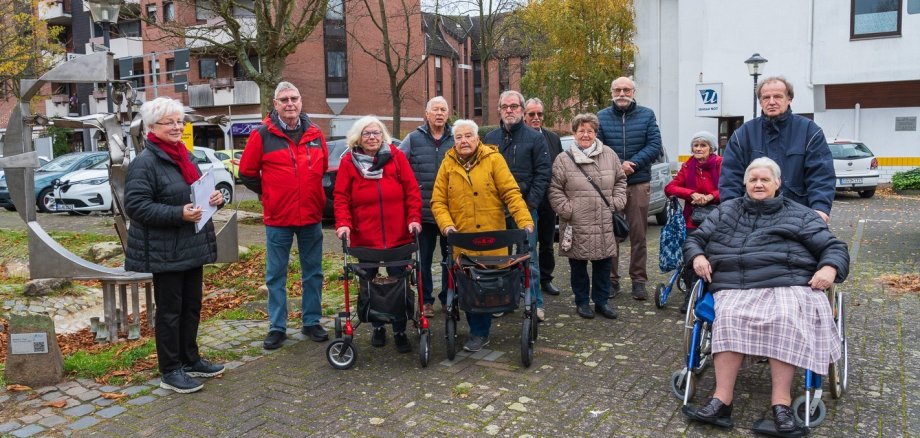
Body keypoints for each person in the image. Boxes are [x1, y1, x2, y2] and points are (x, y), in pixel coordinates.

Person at [682, 157, 848, 433]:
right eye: (753, 179)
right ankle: (721, 400)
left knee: (784, 317)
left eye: (765, 180)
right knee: (729, 316)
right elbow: (694, 239)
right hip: (735, 283)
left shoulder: (800, 214)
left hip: (788, 282)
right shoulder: (726, 211)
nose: (758, 184)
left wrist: (830, 268)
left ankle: (780, 405)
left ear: (777, 183)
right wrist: (697, 256)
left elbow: (834, 247)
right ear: (745, 183)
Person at [124, 97, 225, 394]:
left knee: (192, 307)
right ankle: (170, 370)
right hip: (164, 249)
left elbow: (196, 191)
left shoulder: (185, 156)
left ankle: (190, 359)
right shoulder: (145, 163)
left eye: (179, 121)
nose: (177, 127)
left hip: (191, 245)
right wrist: (178, 213)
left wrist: (215, 199)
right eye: (170, 122)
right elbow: (137, 206)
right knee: (170, 313)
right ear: (152, 127)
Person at [239, 81, 329, 350]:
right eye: (284, 100)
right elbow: (246, 173)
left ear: (301, 102)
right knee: (276, 275)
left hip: (311, 216)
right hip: (278, 219)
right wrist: (269, 194)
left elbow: (322, 167)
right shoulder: (262, 135)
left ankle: (311, 321)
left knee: (313, 273)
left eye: (294, 98)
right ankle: (277, 327)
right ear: (275, 105)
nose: (290, 104)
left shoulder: (315, 133)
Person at [431, 119, 534, 352]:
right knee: (467, 285)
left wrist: (525, 221)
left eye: (468, 136)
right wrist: (447, 226)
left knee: (487, 287)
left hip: (491, 239)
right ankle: (476, 331)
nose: (464, 140)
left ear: (478, 139)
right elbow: (438, 201)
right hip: (463, 240)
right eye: (459, 137)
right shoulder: (447, 164)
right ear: (454, 141)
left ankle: (480, 332)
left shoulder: (493, 160)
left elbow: (511, 193)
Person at [334, 116, 423, 353]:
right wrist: (343, 223)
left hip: (398, 236)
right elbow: (341, 197)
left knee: (399, 282)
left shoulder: (397, 157)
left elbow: (412, 191)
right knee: (369, 283)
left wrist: (414, 218)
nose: (372, 137)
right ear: (358, 138)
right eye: (367, 134)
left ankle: (399, 328)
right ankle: (377, 326)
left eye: (376, 133)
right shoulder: (349, 163)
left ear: (383, 135)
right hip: (366, 237)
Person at [719, 76, 835, 223]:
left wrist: (820, 208)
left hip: (798, 217)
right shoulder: (743, 134)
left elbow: (821, 174)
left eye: (778, 96)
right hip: (751, 219)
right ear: (760, 102)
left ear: (789, 99)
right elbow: (730, 178)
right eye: (766, 97)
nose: (772, 102)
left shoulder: (809, 131)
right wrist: (731, 212)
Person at [548, 113, 627, 319]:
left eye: (589, 130)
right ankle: (582, 302)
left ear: (595, 133)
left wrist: (616, 203)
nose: (585, 134)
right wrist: (568, 210)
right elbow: (555, 189)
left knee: (603, 264)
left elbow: (620, 181)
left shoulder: (609, 154)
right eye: (581, 130)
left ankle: (602, 301)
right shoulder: (563, 159)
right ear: (574, 133)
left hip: (603, 220)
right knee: (578, 265)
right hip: (576, 222)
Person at [483, 90, 551, 320]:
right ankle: (502, 300)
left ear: (522, 110)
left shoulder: (535, 138)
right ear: (499, 110)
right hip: (496, 211)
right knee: (498, 257)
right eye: (505, 107)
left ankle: (535, 303)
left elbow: (543, 174)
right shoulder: (490, 139)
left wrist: (529, 204)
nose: (509, 110)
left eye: (514, 106)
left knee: (528, 256)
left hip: (525, 209)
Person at [597, 76, 662, 300]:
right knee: (611, 234)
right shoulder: (601, 117)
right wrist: (617, 167)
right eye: (617, 90)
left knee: (638, 234)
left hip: (638, 182)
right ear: (612, 92)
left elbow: (655, 145)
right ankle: (611, 280)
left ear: (634, 92)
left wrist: (631, 165)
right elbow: (598, 146)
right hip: (610, 185)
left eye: (626, 89)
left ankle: (638, 280)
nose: (621, 93)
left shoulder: (647, 115)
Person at [399, 96, 453, 317]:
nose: (439, 113)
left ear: (448, 114)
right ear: (426, 114)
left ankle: (449, 297)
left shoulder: (455, 138)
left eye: (443, 110)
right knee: (423, 261)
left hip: (451, 214)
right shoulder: (413, 139)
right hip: (423, 213)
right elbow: (398, 165)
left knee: (450, 259)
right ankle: (426, 300)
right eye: (435, 110)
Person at [524, 97, 564, 296]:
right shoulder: (520, 138)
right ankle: (523, 281)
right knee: (524, 244)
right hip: (525, 200)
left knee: (547, 242)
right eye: (531, 114)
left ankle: (546, 279)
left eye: (539, 114)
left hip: (548, 199)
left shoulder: (553, 138)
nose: (536, 118)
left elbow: (560, 167)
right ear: (524, 116)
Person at [664, 131, 722, 229]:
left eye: (703, 145)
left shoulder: (721, 163)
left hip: (720, 215)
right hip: (694, 217)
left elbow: (730, 188)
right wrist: (692, 194)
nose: (698, 149)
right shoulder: (687, 166)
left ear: (711, 149)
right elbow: (669, 188)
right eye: (695, 145)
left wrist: (711, 196)